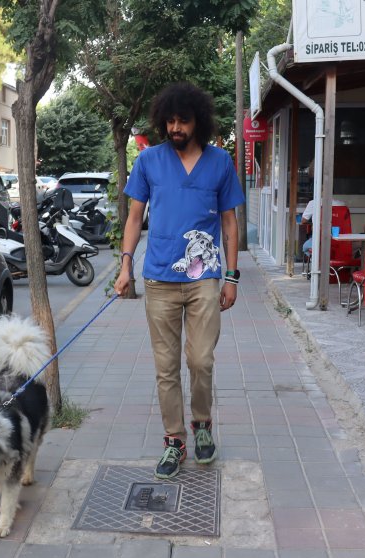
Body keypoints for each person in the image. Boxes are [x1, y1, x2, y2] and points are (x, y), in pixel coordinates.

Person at [115, 81, 245, 480]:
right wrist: (125, 266)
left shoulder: (220, 162)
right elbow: (135, 217)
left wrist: (232, 277)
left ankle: (202, 425)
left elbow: (229, 223)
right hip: (158, 280)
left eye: (183, 121)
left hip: (205, 278)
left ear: (198, 122)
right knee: (166, 366)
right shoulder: (149, 161)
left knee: (200, 360)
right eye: (170, 120)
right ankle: (174, 440)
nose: (175, 127)